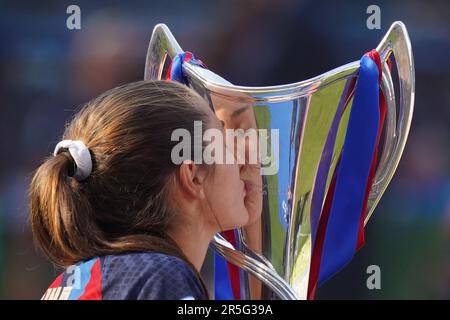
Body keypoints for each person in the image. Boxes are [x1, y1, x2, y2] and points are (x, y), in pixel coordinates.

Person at [28, 80, 249, 300]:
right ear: (193, 176)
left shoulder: (72, 281)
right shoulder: (159, 277)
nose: (240, 160)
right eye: (224, 143)